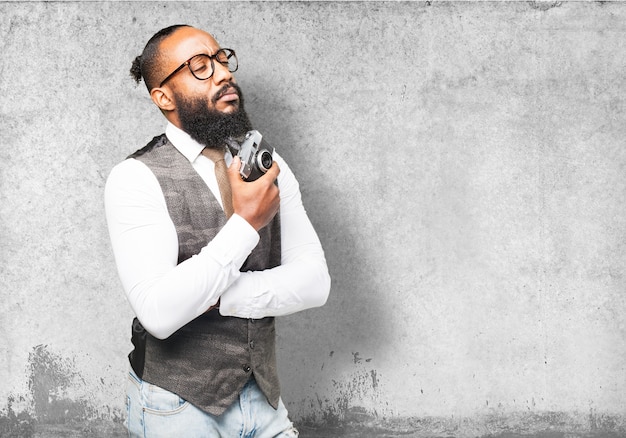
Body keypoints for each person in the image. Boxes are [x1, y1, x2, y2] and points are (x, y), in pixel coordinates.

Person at [104, 24, 331, 437]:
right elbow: (158, 314)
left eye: (222, 59)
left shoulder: (265, 161)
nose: (223, 73)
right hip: (175, 408)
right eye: (200, 67)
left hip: (263, 401)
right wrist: (245, 224)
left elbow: (315, 283)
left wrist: (217, 295)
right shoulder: (134, 178)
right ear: (163, 96)